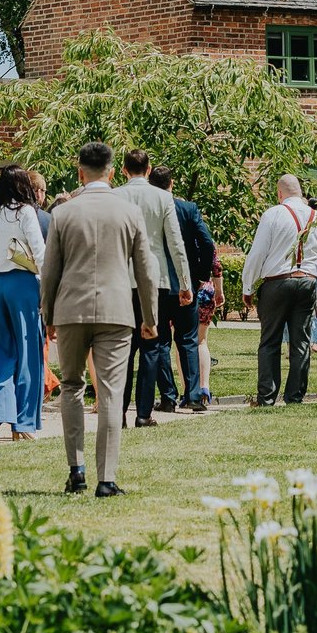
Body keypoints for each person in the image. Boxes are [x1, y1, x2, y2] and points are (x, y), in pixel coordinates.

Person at [37, 140, 156, 495]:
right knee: (111, 392)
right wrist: (150, 316)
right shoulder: (129, 212)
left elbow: (50, 270)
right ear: (112, 172)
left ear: (80, 173)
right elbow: (146, 270)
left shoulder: (63, 213)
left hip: (71, 309)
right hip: (116, 311)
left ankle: (77, 469)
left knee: (72, 385)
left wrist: (48, 314)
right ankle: (107, 478)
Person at [242, 174, 317, 408]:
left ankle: (267, 397)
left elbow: (258, 253)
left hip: (277, 282)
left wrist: (248, 286)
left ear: (279, 193)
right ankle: (295, 396)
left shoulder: (273, 214)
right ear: (301, 192)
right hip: (307, 282)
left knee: (270, 341)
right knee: (301, 342)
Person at [119, 149, 193, 426]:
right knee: (151, 344)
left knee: (124, 348)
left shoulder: (115, 196)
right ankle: (143, 413)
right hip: (155, 278)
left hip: (122, 278)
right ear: (148, 170)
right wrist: (184, 283)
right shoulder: (163, 197)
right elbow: (175, 243)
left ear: (124, 170)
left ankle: (118, 412)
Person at [0, 165, 47, 439]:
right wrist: (48, 289)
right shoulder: (26, 211)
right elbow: (39, 252)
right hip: (22, 283)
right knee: (29, 353)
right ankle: (24, 422)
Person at [149, 164, 215, 409]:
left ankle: (168, 397)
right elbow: (207, 243)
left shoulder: (147, 209)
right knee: (187, 339)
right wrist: (200, 275)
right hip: (185, 284)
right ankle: (194, 395)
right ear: (172, 183)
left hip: (156, 283)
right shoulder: (188, 209)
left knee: (160, 342)